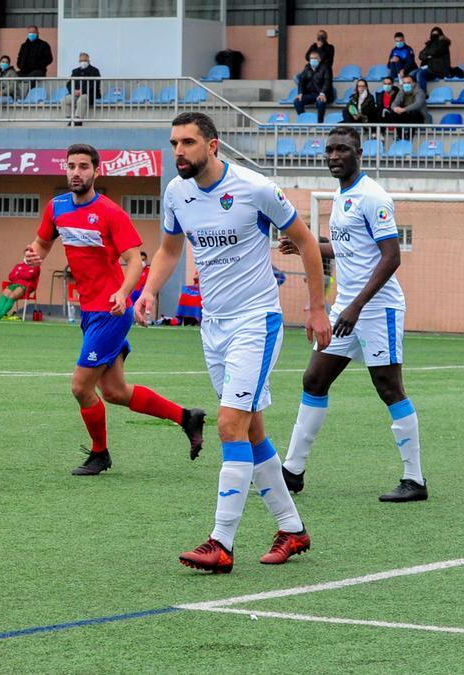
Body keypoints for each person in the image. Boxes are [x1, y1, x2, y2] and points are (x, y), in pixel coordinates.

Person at [137, 112, 332, 573]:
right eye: (173, 143)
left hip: (255, 323)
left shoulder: (255, 188)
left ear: (213, 145)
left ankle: (220, 543)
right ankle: (292, 528)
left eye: (187, 143)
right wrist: (147, 290)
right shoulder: (176, 193)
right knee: (252, 430)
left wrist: (316, 307)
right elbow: (169, 250)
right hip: (214, 326)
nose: (179, 152)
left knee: (229, 424)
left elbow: (305, 242)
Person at [24, 143, 206, 475]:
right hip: (89, 312)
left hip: (110, 311)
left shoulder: (109, 212)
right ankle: (186, 417)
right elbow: (42, 243)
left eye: (83, 166)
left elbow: (135, 259)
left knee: (81, 387)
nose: (76, 172)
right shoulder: (56, 207)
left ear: (97, 171)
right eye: (71, 166)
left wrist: (125, 293)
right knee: (115, 392)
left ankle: (100, 453)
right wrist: (35, 254)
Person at [279, 126, 425, 502]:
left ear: (359, 152)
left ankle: (415, 480)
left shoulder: (373, 197)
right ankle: (292, 472)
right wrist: (307, 245)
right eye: (328, 150)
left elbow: (390, 257)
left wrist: (357, 306)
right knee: (314, 380)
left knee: (388, 387)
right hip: (348, 308)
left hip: (377, 308)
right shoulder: (341, 195)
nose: (333, 156)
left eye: (341, 149)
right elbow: (349, 251)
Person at [62, 52, 101, 127]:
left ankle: (78, 120)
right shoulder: (75, 71)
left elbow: (94, 85)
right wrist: (73, 91)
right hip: (76, 93)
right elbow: (69, 84)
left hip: (89, 94)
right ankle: (70, 119)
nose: (83, 62)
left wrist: (82, 91)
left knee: (82, 99)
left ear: (88, 61)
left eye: (85, 60)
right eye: (81, 60)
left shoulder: (95, 71)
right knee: (65, 100)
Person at [294, 49, 331, 118]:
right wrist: (300, 93)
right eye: (311, 58)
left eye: (315, 58)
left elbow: (327, 82)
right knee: (297, 101)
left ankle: (320, 122)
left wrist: (323, 93)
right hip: (310, 94)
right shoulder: (307, 67)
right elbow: (301, 81)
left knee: (320, 102)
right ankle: (304, 119)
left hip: (321, 93)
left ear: (319, 59)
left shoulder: (325, 67)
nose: (313, 60)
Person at [416, 26, 452, 91]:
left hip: (438, 70)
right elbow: (421, 55)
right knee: (412, 74)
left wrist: (429, 53)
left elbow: (434, 52)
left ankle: (422, 94)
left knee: (420, 74)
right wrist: (427, 56)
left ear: (440, 35)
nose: (434, 36)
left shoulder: (443, 43)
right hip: (429, 67)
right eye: (433, 34)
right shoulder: (430, 43)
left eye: (436, 34)